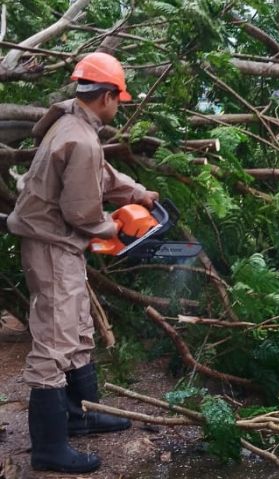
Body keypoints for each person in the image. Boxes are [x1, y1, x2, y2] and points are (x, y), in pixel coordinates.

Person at [7, 52, 159, 473]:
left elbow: (102, 175)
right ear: (107, 95)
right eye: (119, 98)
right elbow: (82, 213)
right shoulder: (81, 138)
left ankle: (79, 415)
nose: (118, 106)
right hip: (52, 243)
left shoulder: (71, 124)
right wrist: (113, 227)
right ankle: (49, 447)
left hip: (59, 244)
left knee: (77, 330)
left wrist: (137, 194)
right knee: (55, 342)